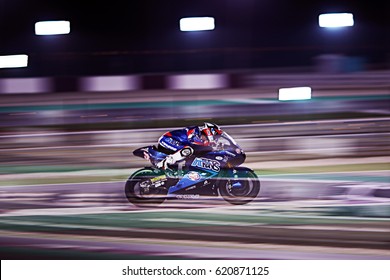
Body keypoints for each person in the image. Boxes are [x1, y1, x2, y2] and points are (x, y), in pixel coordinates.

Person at [156, 122, 223, 169]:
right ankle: (164, 163)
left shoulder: (202, 137)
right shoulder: (196, 131)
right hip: (167, 139)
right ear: (211, 131)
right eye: (216, 136)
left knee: (193, 152)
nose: (216, 138)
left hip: (178, 143)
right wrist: (212, 146)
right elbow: (194, 142)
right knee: (188, 150)